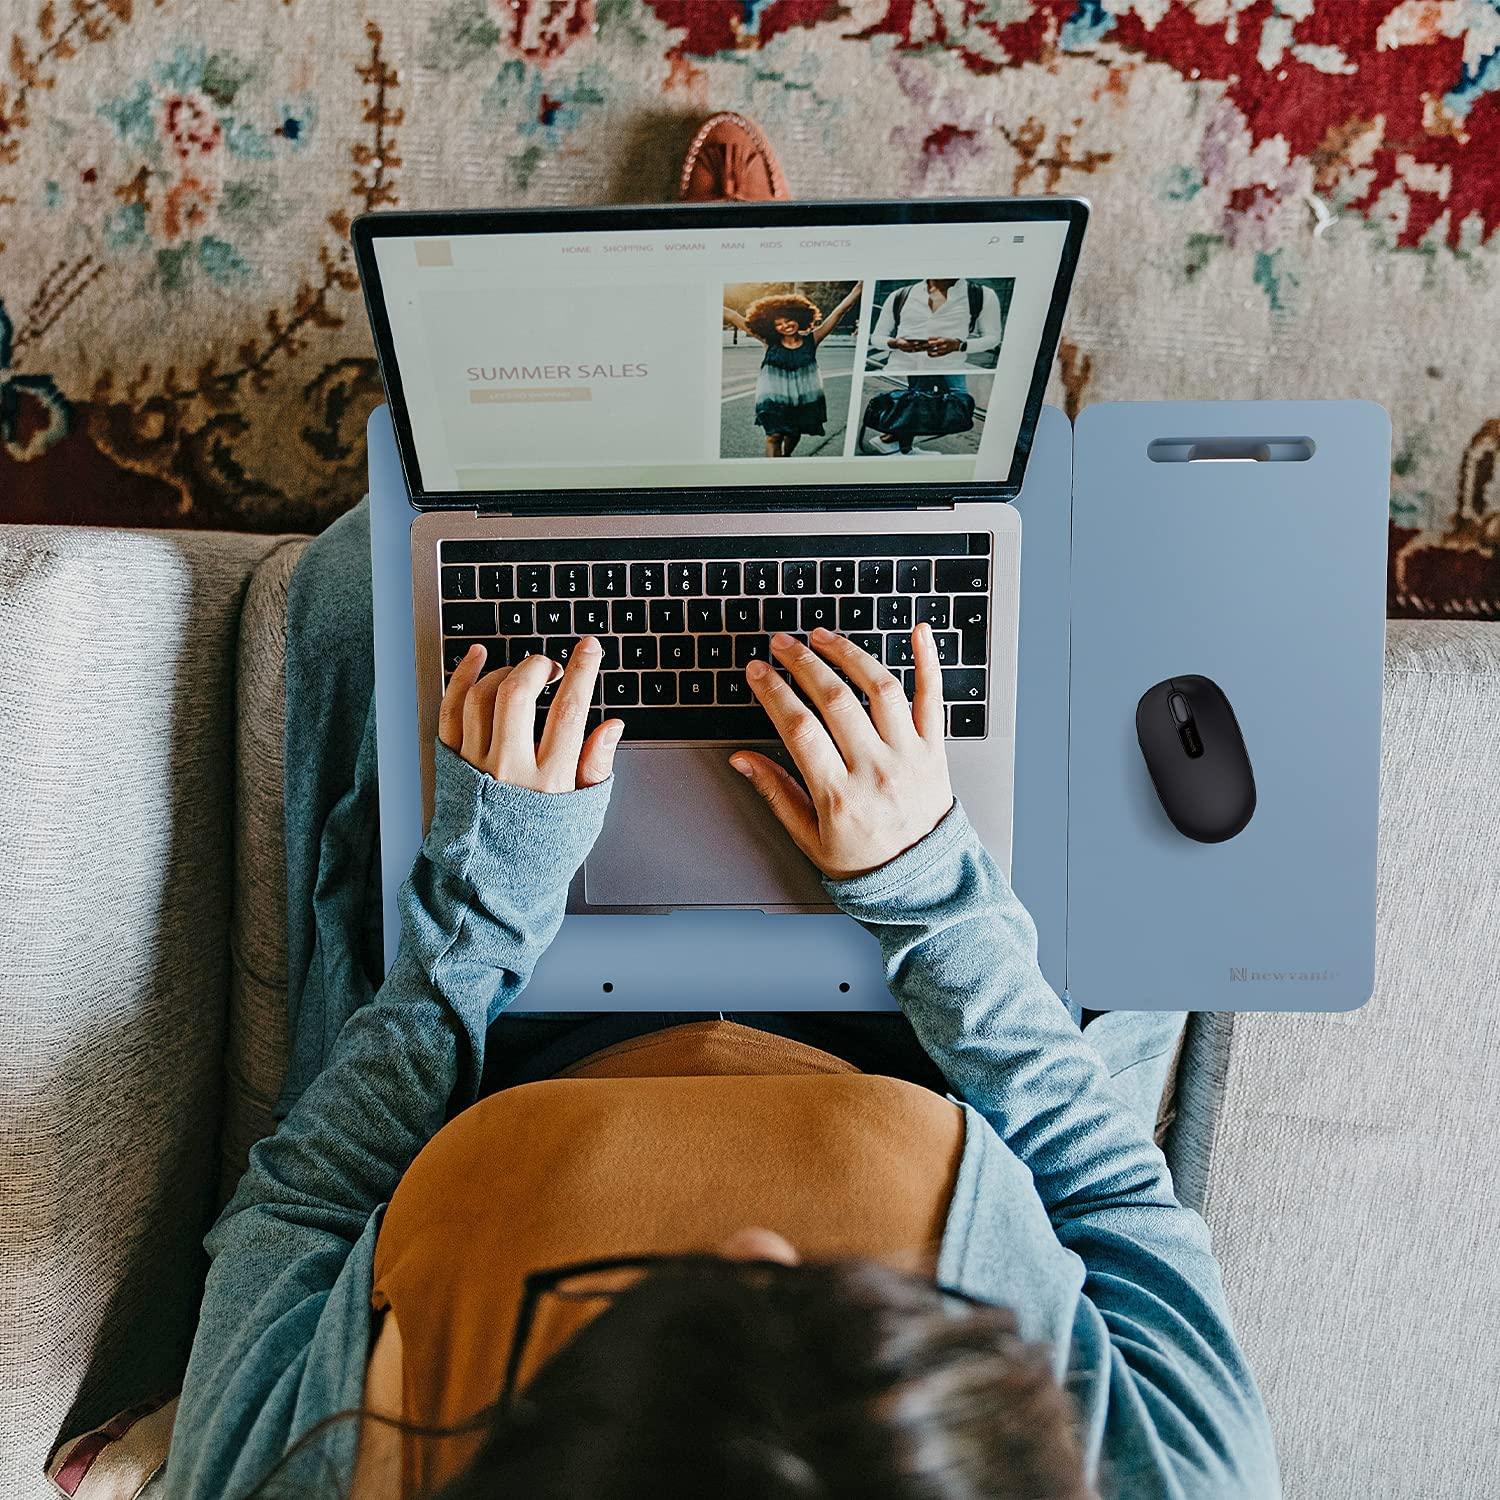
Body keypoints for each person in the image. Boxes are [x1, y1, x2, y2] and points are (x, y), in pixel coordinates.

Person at [162, 115, 1279, 1500]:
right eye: (846, 1320)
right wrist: (931, 885)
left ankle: (689, 383)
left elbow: (303, 1205)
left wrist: (491, 885)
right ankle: (760, 385)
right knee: (1076, 554)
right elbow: (1111, 1204)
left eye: (649, 1328)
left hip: (506, 1019)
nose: (756, 1247)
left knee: (352, 592)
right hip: (944, 1042)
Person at [864, 277, 1005, 454]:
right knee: (918, 401)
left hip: (950, 364)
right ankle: (900, 446)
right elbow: (877, 337)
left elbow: (993, 338)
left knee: (957, 408)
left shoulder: (981, 295)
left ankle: (893, 440)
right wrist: (896, 343)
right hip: (903, 366)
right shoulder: (900, 295)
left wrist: (959, 345)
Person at [722, 282, 863, 457]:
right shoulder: (769, 340)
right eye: (778, 324)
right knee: (774, 436)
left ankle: (786, 458)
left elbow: (840, 310)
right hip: (772, 397)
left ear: (799, 318)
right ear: (771, 326)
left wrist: (860, 288)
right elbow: (733, 315)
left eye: (789, 320)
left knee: (794, 433)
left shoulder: (813, 339)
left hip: (803, 397)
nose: (785, 326)